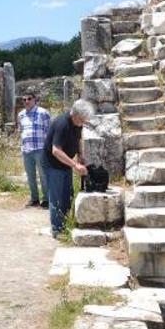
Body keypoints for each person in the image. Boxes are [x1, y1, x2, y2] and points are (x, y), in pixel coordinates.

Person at [42, 99, 94, 239]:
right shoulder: (62, 124)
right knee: (57, 196)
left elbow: (77, 140)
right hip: (52, 164)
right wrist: (75, 165)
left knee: (67, 194)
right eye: (82, 120)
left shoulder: (77, 124)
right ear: (75, 115)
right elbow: (56, 151)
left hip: (65, 163)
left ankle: (65, 224)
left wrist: (80, 156)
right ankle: (57, 230)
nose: (83, 123)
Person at [17, 91, 51, 208]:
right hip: (27, 150)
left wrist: (49, 149)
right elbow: (21, 131)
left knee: (43, 175)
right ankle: (34, 199)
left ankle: (46, 199)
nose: (26, 101)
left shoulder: (43, 113)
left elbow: (49, 132)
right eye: (24, 99)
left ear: (35, 100)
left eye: (29, 99)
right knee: (30, 176)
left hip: (40, 149)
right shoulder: (21, 115)